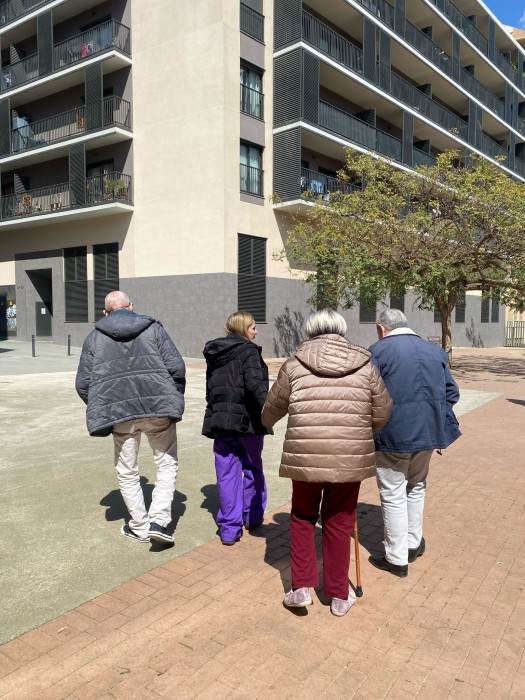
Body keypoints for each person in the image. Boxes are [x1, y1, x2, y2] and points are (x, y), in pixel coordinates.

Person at [261, 309, 392, 616]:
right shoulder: (365, 365)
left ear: (311, 330)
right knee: (339, 520)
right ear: (341, 330)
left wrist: (266, 421)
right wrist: (359, 431)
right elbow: (384, 410)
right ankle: (338, 593)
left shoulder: (294, 365)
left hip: (306, 455)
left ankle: (301, 587)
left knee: (302, 516)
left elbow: (271, 410)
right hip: (349, 456)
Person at [75, 290, 185, 545]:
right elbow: (176, 367)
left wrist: (104, 406)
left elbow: (83, 383)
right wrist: (173, 397)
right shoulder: (154, 329)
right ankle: (159, 522)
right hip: (158, 408)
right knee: (166, 463)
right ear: (131, 306)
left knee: (127, 471)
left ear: (105, 312)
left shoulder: (94, 338)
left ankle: (139, 526)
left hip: (119, 414)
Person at [368, 308, 461, 577]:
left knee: (393, 493)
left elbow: (367, 393)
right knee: (417, 486)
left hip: (393, 434)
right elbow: (452, 392)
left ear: (381, 328)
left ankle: (397, 557)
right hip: (429, 432)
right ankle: (412, 543)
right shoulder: (434, 351)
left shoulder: (377, 351)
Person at [202, 311, 270, 545]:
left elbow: (210, 389)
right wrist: (269, 412)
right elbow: (256, 386)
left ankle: (229, 529)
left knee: (226, 474)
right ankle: (252, 516)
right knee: (252, 468)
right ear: (242, 328)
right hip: (248, 423)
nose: (256, 331)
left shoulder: (215, 353)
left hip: (222, 422)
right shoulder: (249, 351)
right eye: (253, 327)